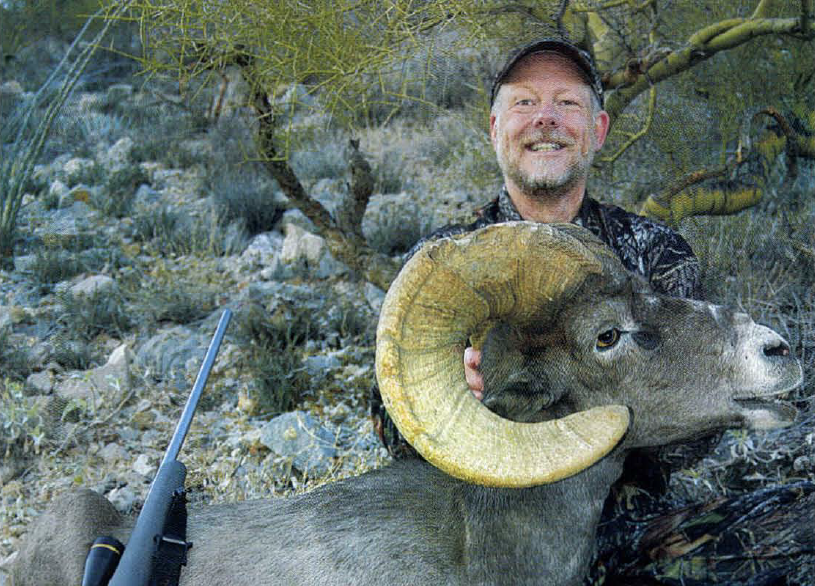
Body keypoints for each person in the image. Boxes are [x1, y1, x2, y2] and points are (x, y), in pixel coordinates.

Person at [369, 38, 708, 583]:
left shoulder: (654, 251)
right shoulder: (446, 263)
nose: (545, 118)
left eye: (567, 103)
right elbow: (391, 422)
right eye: (524, 102)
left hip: (628, 528)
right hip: (485, 531)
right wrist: (453, 394)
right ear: (496, 128)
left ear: (596, 130)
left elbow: (696, 424)